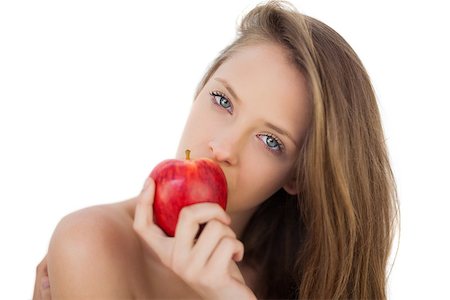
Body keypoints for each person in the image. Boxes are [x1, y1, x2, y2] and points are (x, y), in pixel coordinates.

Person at [33, 0, 399, 299]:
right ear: (200, 89)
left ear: (297, 176)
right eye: (222, 100)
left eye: (271, 141)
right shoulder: (93, 245)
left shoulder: (306, 279)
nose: (222, 147)